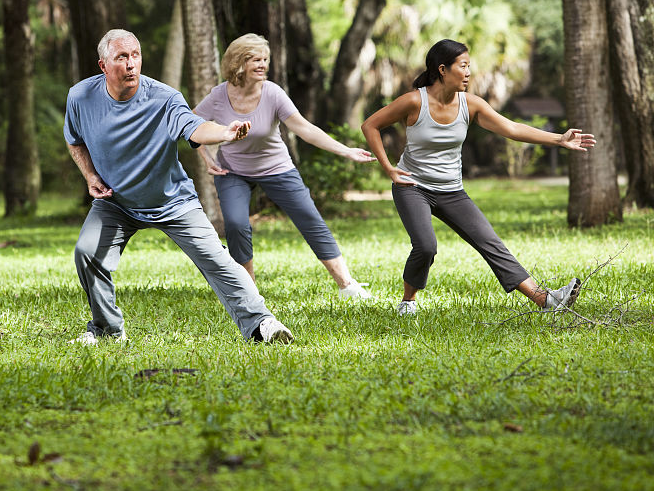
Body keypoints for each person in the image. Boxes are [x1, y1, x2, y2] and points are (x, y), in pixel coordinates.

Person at [63, 29, 293, 344]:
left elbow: (194, 127)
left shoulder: (164, 98)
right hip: (116, 202)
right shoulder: (81, 96)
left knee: (217, 259)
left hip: (173, 201)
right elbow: (74, 139)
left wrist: (225, 133)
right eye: (122, 57)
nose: (132, 64)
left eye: (136, 55)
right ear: (103, 65)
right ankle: (107, 331)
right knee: (87, 254)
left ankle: (261, 324)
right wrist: (90, 176)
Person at [361, 39, 595, 315]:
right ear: (443, 70)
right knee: (426, 246)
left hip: (452, 191)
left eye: (469, 65)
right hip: (412, 186)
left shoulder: (470, 105)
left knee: (490, 242)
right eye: (463, 66)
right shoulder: (414, 101)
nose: (469, 72)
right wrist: (389, 168)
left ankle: (546, 301)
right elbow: (370, 125)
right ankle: (408, 301)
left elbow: (511, 128)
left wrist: (559, 139)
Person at [194, 33, 376, 300]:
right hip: (233, 171)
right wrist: (207, 158)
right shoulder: (219, 96)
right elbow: (191, 124)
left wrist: (345, 150)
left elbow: (304, 128)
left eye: (265, 59)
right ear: (239, 63)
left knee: (309, 218)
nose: (263, 65)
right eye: (256, 59)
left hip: (276, 168)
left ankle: (347, 285)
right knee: (236, 224)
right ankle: (248, 293)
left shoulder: (272, 93)